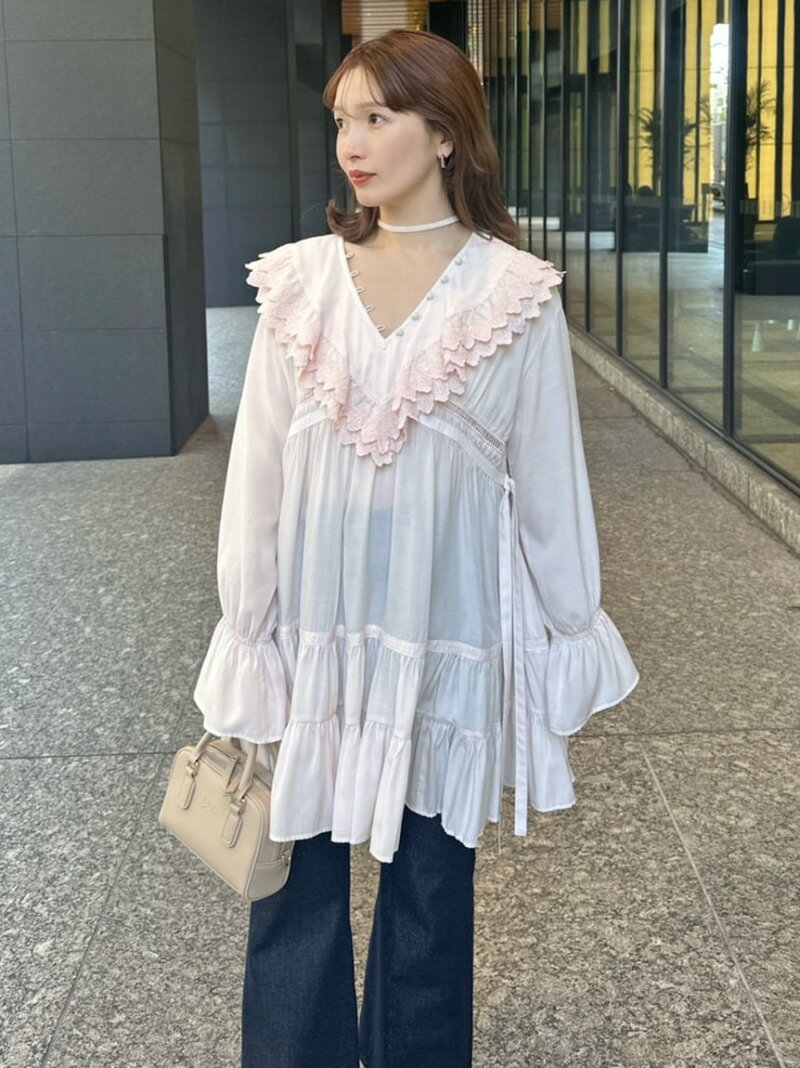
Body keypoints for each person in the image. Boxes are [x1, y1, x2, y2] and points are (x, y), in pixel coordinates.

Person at [192, 27, 639, 1068]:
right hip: (309, 638)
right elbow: (257, 477)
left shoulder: (513, 296)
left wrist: (569, 623)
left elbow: (550, 483)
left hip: (443, 640)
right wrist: (247, 629)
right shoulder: (299, 284)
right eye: (342, 119)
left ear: (444, 133)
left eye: (377, 117)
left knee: (432, 900)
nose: (351, 142)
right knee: (289, 892)